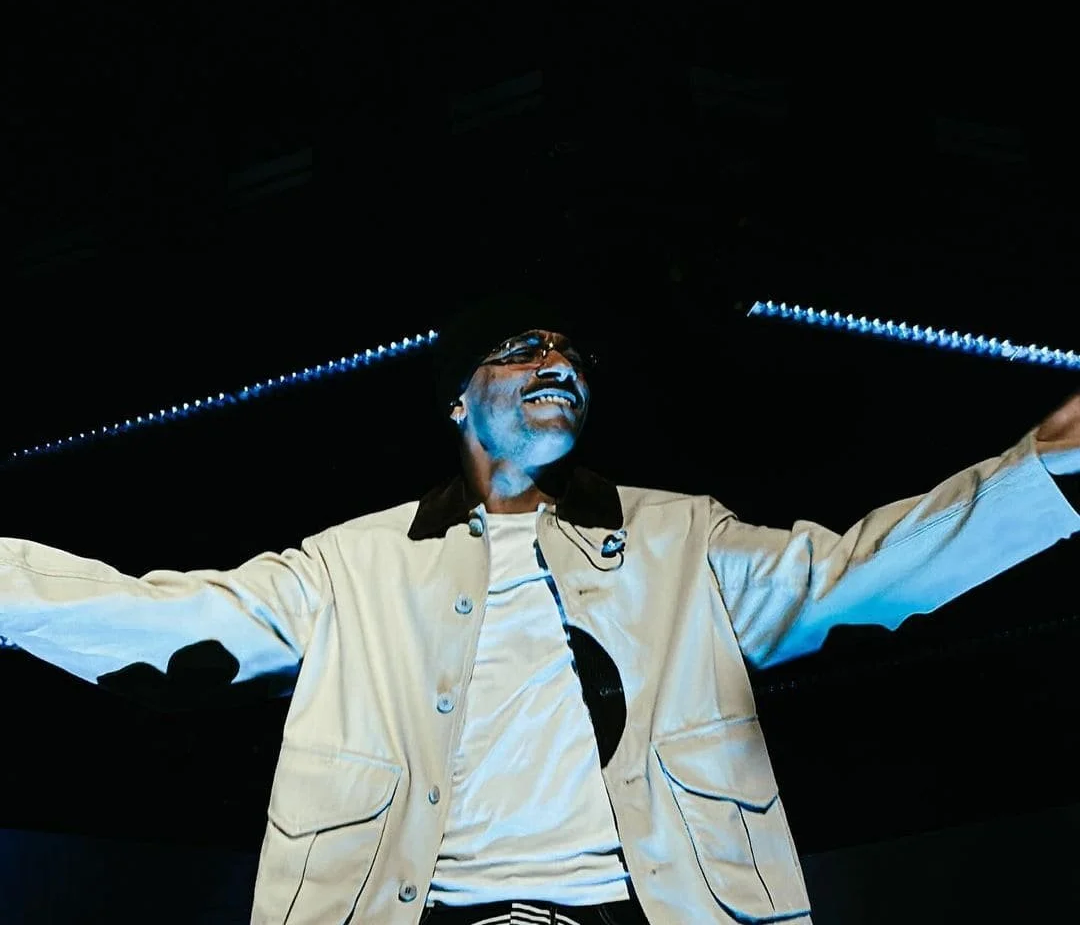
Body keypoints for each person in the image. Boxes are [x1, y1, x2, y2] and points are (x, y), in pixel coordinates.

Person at [1, 294, 1079, 925]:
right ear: (460, 401)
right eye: (521, 349)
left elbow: (861, 574)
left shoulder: (677, 537)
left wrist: (1041, 468)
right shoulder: (354, 565)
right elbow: (169, 625)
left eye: (568, 354)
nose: (556, 363)